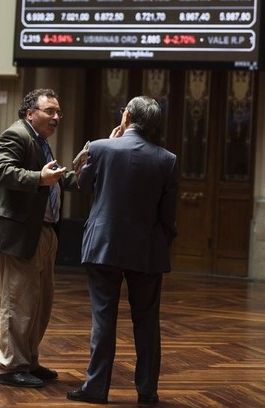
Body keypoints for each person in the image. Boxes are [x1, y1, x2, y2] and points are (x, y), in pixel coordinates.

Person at [67, 95, 178, 406]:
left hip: (103, 246)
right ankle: (147, 391)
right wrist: (161, 244)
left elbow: (84, 185)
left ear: (126, 116)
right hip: (147, 251)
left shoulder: (100, 147)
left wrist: (104, 146)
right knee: (147, 323)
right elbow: (168, 216)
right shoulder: (167, 159)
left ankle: (95, 389)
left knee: (103, 319)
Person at [0, 88, 77, 388]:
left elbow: (52, 178)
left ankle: (29, 360)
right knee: (18, 302)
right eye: (49, 111)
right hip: (22, 232)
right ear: (30, 113)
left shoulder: (40, 141)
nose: (56, 117)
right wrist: (39, 178)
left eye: (58, 112)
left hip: (45, 232)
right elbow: (1, 171)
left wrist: (75, 171)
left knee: (39, 302)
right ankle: (10, 367)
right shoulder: (17, 135)